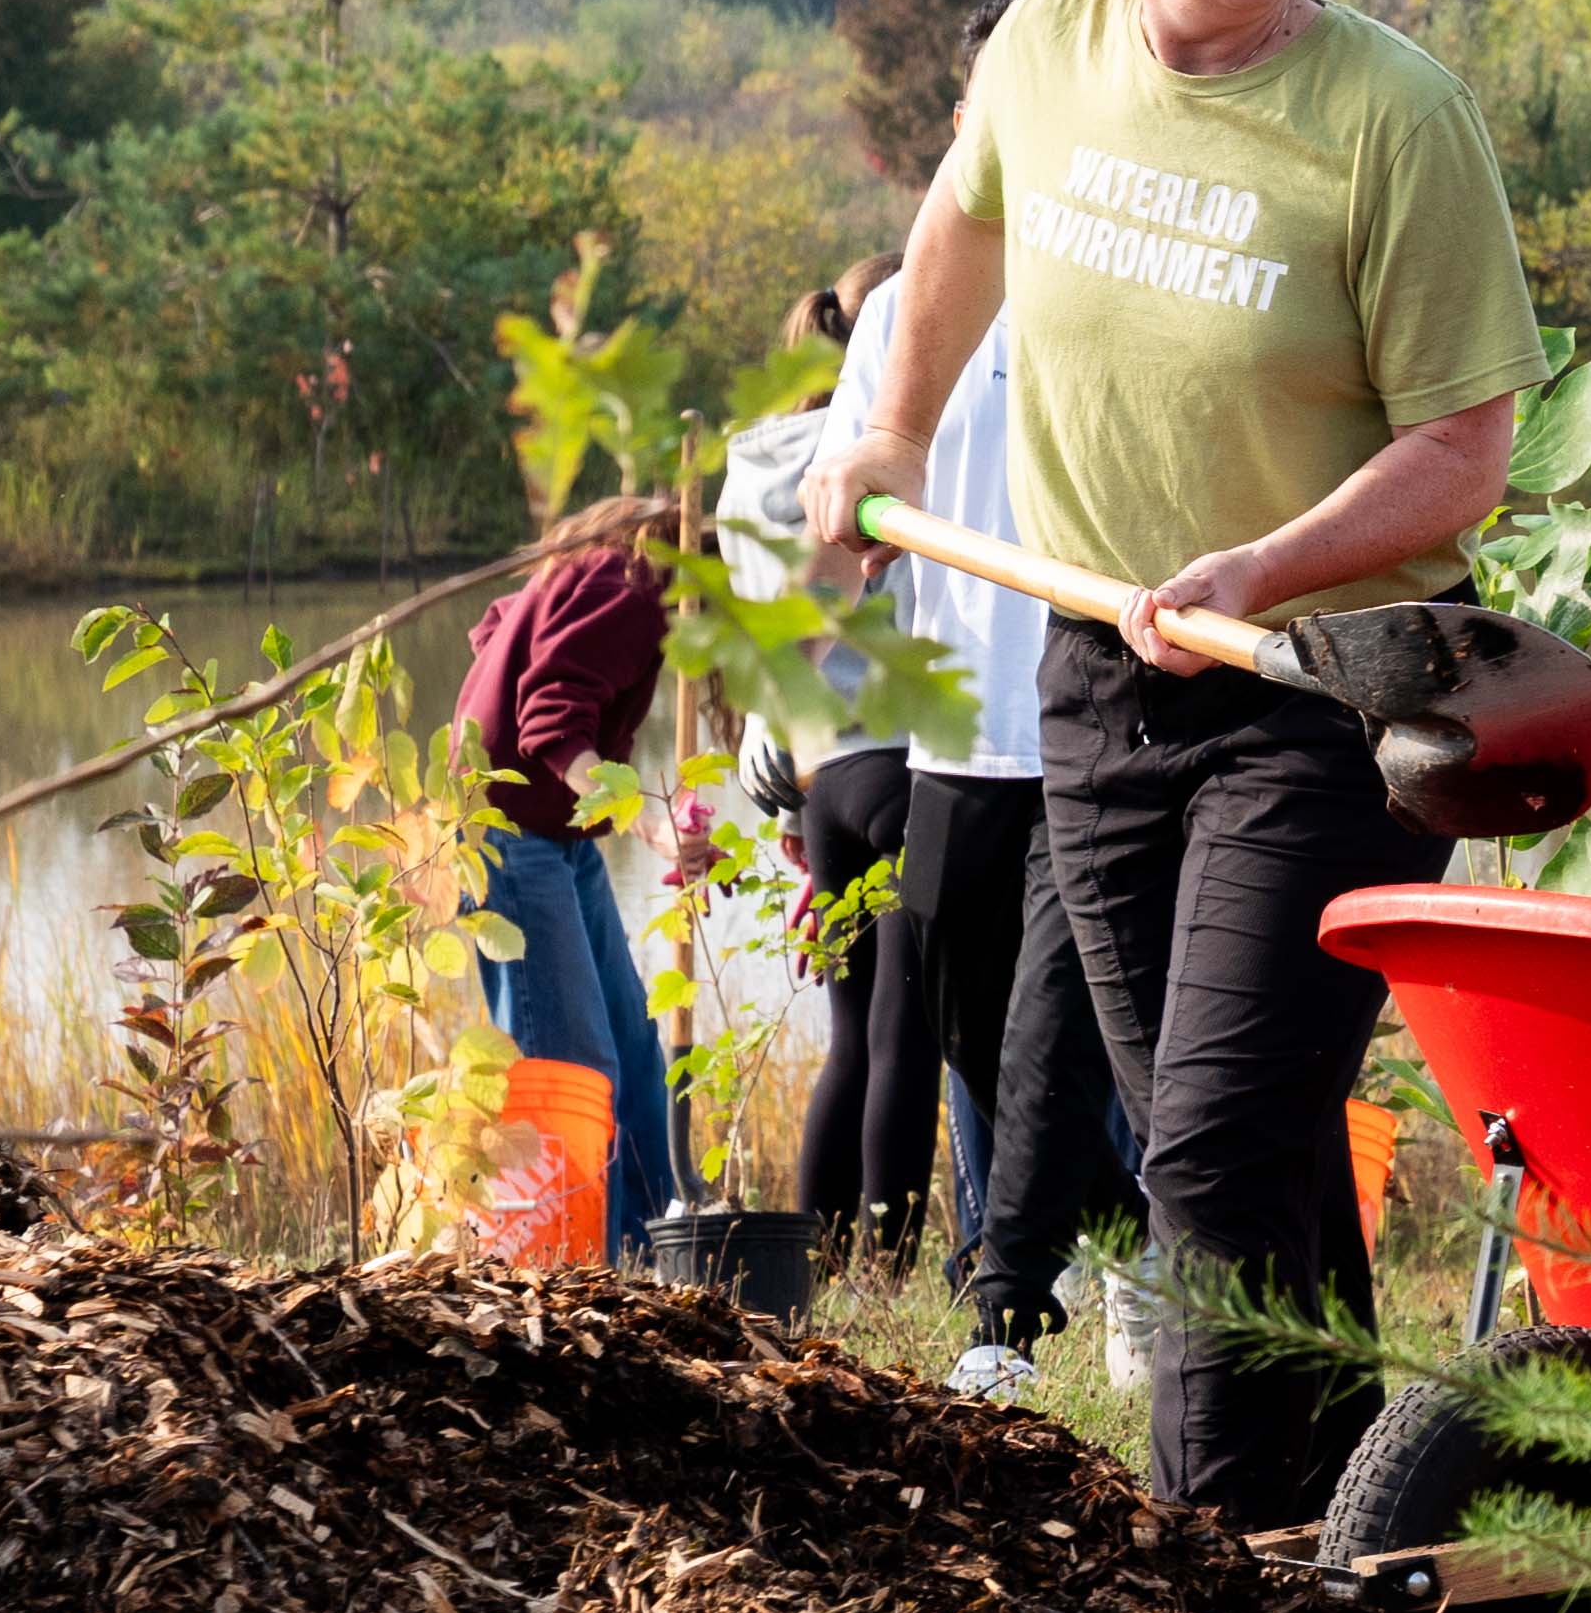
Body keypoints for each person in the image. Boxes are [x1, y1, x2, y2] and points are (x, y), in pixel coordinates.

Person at [801, 0, 1541, 1524]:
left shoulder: (1394, 117)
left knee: (1204, 1149)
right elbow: (958, 232)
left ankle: (1212, 1553)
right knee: (1247, 1147)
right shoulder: (1045, 47)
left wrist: (1263, 570)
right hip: (1103, 679)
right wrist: (883, 425)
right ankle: (1367, 1521)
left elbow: (1466, 451)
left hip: (1330, 684)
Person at [814, 243, 1136, 1396]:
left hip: (1091, 723)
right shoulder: (904, 309)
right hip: (951, 732)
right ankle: (1143, 1239)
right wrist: (835, 523)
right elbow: (839, 503)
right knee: (970, 1035)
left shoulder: (1116, 278)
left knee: (1053, 1033)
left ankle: (1002, 1319)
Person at [717, 257, 924, 1261]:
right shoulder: (886, 458)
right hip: (907, 759)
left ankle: (826, 1254)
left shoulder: (752, 471)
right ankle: (893, 1261)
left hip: (817, 777)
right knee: (909, 1034)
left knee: (852, 1031)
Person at [454, 500, 686, 1256]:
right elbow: (551, 718)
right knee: (575, 1071)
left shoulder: (605, 570)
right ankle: (577, 1274)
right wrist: (652, 826)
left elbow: (498, 624)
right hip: (508, 836)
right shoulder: (636, 585)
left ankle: (659, 1256)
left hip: (558, 836)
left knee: (630, 1046)